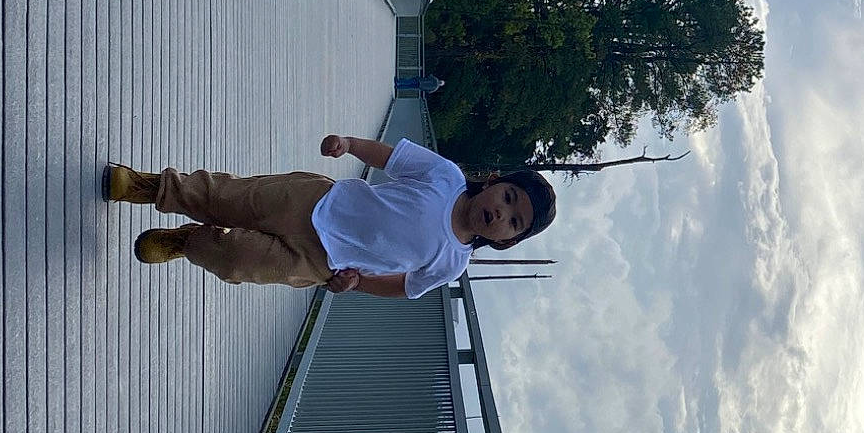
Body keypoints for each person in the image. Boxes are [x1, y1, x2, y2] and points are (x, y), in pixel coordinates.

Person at [102, 135, 556, 298]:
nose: (501, 213)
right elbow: (392, 158)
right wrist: (350, 145)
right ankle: (146, 187)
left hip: (320, 263)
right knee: (227, 198)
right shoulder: (446, 176)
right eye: (510, 197)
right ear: (496, 182)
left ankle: (186, 243)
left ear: (505, 241)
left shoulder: (452, 264)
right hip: (315, 200)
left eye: (513, 223)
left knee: (239, 261)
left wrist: (357, 284)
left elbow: (403, 286)